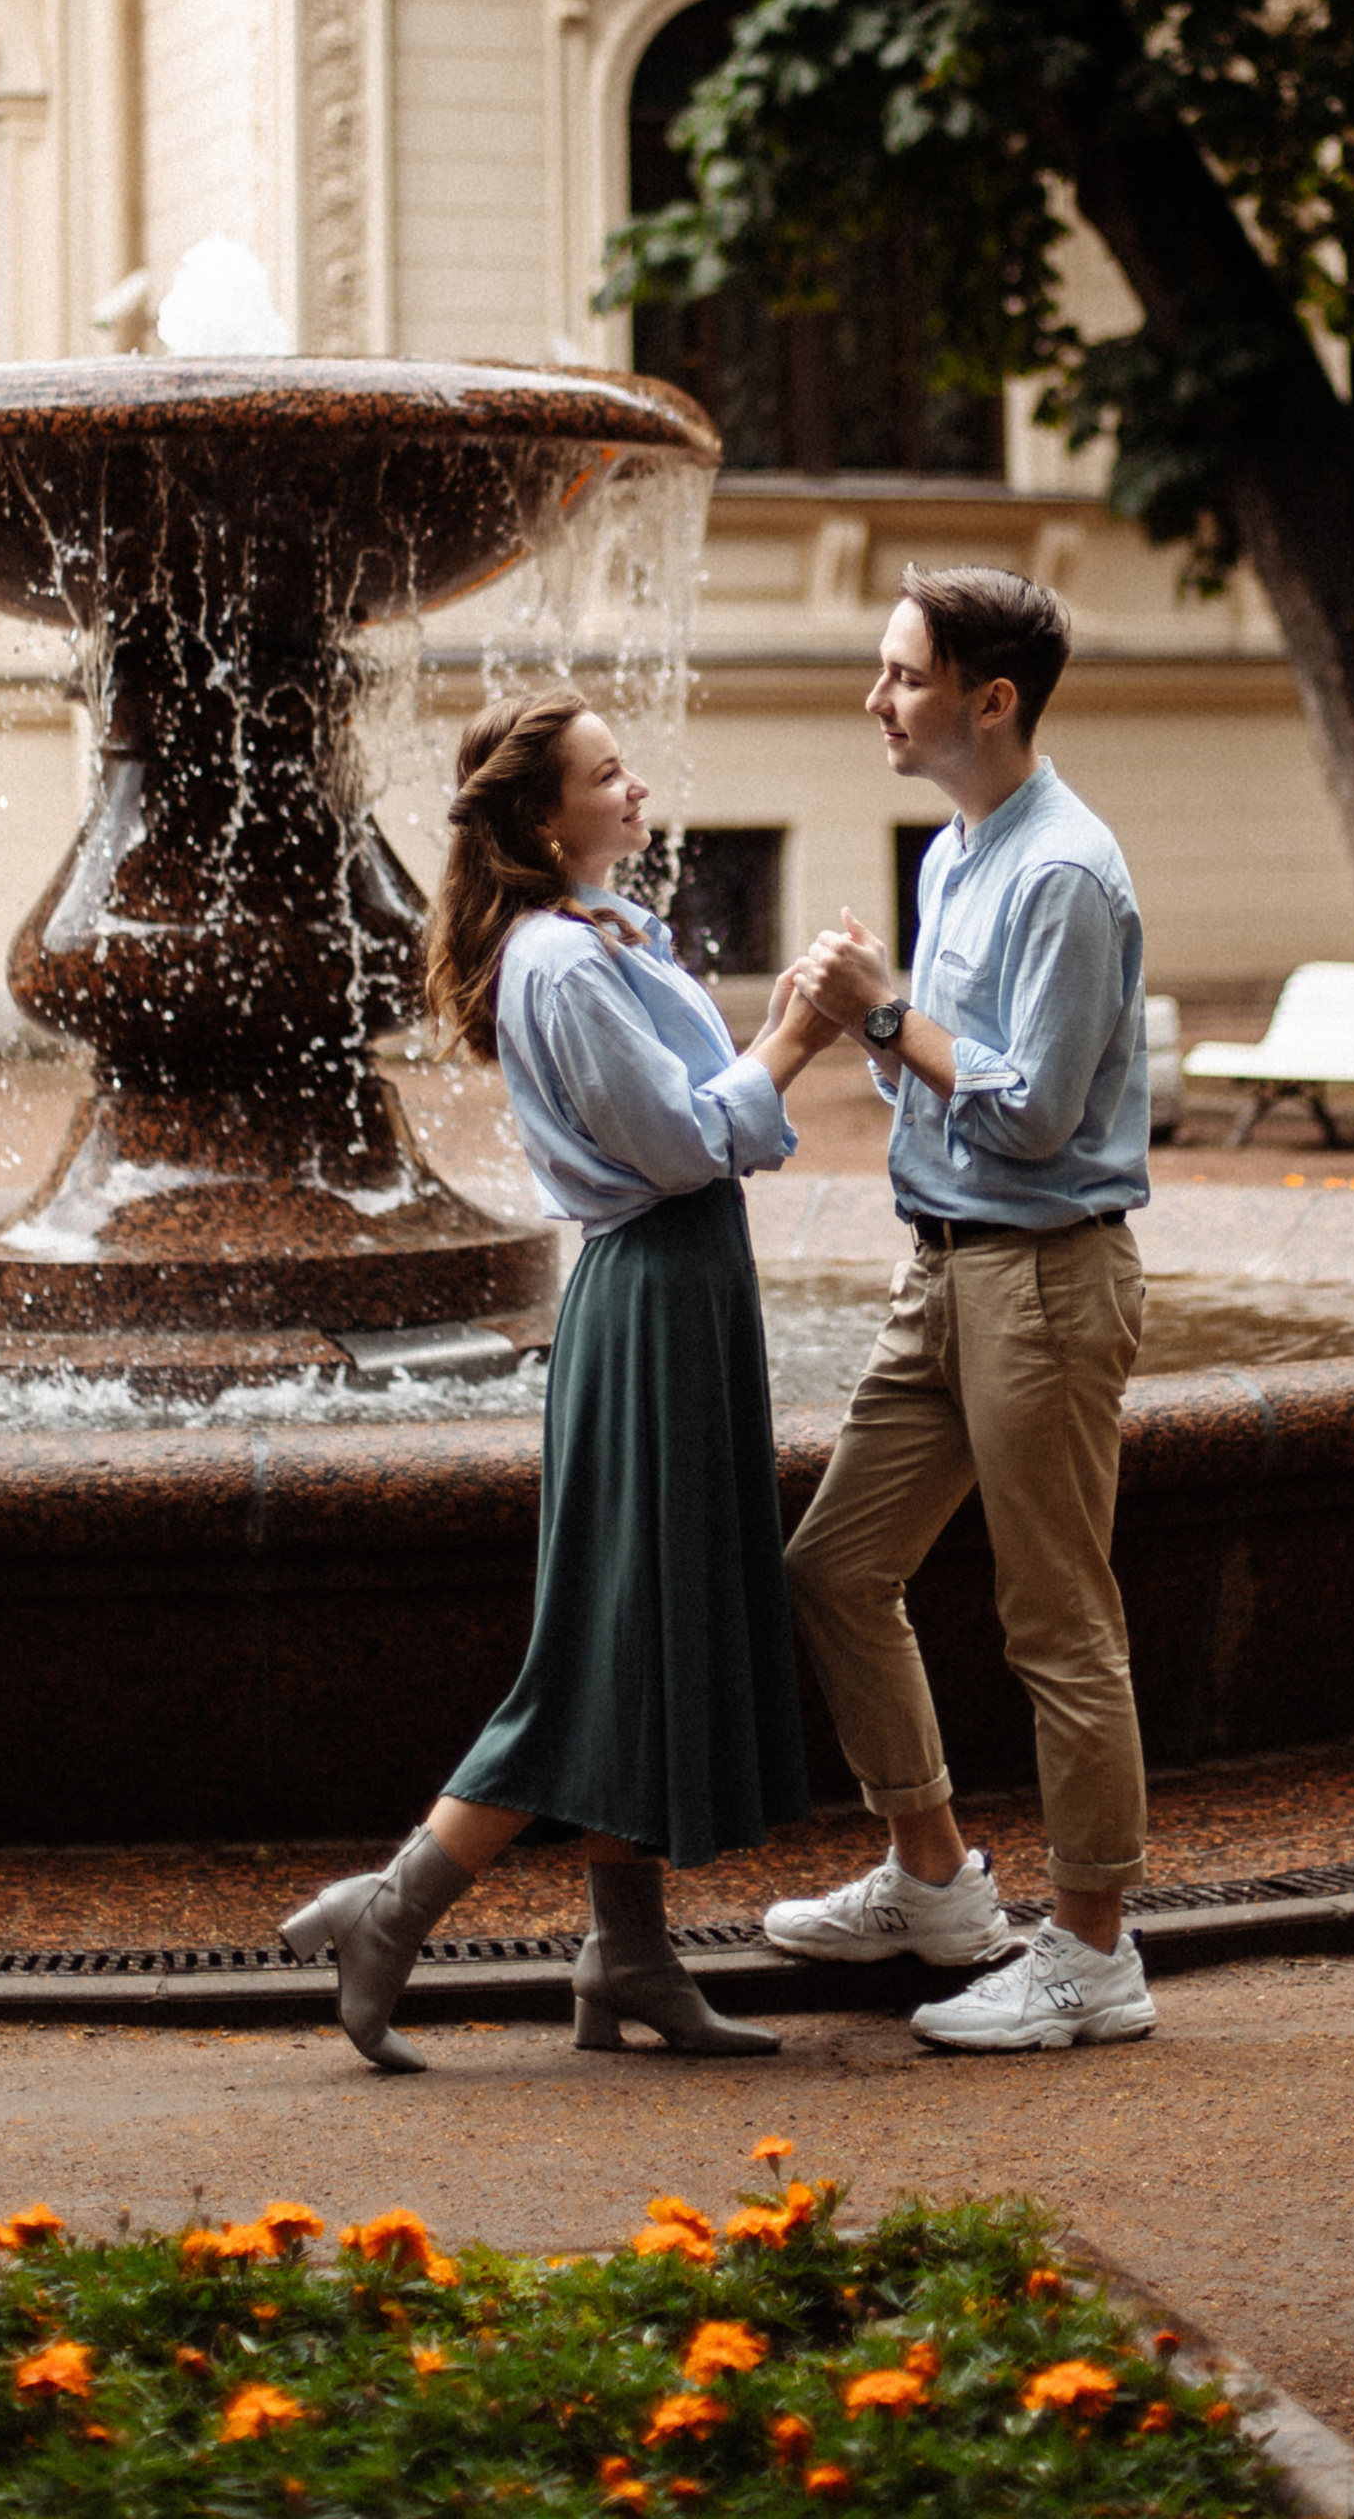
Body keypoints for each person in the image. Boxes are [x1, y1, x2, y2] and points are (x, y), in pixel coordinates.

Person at [280, 685, 835, 2074]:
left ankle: (629, 1955)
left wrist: (765, 1051)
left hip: (682, 1294)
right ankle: (393, 1910)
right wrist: (797, 1037)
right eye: (608, 773)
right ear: (543, 815)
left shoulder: (598, 935)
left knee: (642, 1635)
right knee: (604, 1644)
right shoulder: (563, 963)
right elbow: (673, 1145)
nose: (636, 787)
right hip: (654, 1291)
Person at [764, 562, 1157, 2051]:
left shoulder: (1063, 870)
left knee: (1061, 1625)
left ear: (990, 702)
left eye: (904, 677)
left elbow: (1039, 1118)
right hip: (946, 1266)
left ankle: (1094, 1954)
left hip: (1047, 1277)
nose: (877, 699)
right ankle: (935, 1881)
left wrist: (881, 1012)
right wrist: (883, 1020)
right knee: (834, 1566)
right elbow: (943, 1084)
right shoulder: (956, 850)